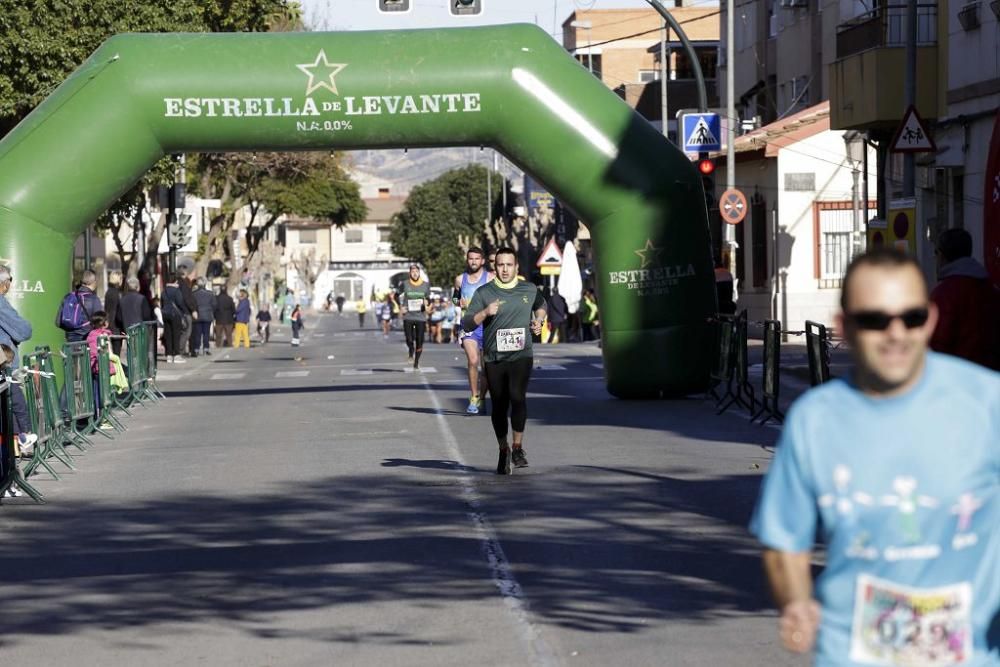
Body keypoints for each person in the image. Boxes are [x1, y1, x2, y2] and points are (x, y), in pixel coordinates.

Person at [749, 248, 999, 666]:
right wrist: (796, 602)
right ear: (843, 327)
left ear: (931, 319)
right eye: (874, 320)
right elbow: (783, 538)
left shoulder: (986, 403)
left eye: (912, 317)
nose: (896, 333)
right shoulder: (816, 420)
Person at [461, 247, 547, 475]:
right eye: (501, 265)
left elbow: (541, 305)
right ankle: (503, 448)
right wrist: (485, 312)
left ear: (516, 267)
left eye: (509, 265)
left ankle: (518, 447)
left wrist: (539, 320)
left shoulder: (527, 288)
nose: (505, 269)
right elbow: (467, 323)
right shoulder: (484, 292)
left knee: (517, 397)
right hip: (494, 357)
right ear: (495, 267)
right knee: (499, 404)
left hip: (521, 355)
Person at [929, 228, 1000, 370]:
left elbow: (936, 347)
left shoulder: (943, 295)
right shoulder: (992, 291)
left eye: (936, 253)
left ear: (942, 255)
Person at [0, 265, 37, 457]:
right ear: (4, 284)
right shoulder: (0, 303)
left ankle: (17, 442)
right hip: (4, 362)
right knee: (16, 404)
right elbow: (24, 330)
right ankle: (24, 437)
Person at [455, 247, 493, 415]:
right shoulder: (460, 279)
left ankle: (483, 397)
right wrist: (458, 301)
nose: (474, 262)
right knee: (473, 360)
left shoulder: (490, 278)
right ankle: (474, 396)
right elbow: (454, 297)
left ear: (482, 261)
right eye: (471, 259)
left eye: (477, 259)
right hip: (469, 326)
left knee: (487, 368)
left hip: (488, 326)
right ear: (467, 260)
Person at [55, 269, 103, 343]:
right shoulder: (94, 299)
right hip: (87, 343)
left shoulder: (68, 297)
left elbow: (58, 322)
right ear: (94, 282)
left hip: (70, 342)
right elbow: (100, 323)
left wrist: (71, 329)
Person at [399, 264, 430, 370]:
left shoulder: (425, 285)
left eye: (416, 271)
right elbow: (396, 295)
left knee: (420, 340)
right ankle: (410, 351)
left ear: (419, 272)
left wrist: (427, 303)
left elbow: (428, 298)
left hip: (420, 316)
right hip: (408, 316)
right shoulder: (405, 284)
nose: (415, 273)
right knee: (409, 339)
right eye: (412, 271)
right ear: (409, 273)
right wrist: (400, 307)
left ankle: (416, 361)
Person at [161, 275, 186, 363]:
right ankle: (176, 355)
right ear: (175, 282)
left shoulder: (164, 291)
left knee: (168, 335)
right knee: (176, 334)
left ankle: (169, 355)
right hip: (175, 314)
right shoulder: (176, 291)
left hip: (165, 314)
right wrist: (183, 312)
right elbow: (180, 302)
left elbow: (162, 303)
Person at [191, 277, 216, 356]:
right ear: (205, 284)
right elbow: (214, 305)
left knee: (197, 334)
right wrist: (211, 311)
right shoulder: (210, 294)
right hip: (207, 315)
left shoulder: (193, 294)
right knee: (206, 333)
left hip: (197, 316)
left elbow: (191, 304)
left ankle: (196, 349)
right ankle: (206, 349)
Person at [177, 269, 198, 357]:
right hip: (186, 312)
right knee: (186, 332)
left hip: (181, 311)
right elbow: (187, 298)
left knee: (184, 332)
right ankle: (181, 351)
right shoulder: (183, 285)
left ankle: (181, 350)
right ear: (184, 274)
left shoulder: (179, 284)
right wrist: (193, 310)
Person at [104, 270, 124, 355]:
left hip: (109, 324)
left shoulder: (108, 292)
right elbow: (119, 311)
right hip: (116, 326)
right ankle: (115, 368)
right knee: (116, 352)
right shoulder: (117, 294)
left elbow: (107, 309)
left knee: (111, 352)